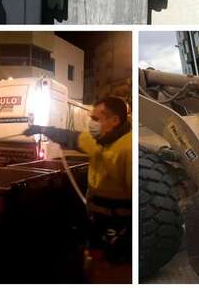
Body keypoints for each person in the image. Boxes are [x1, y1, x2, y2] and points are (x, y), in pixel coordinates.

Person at [24, 97, 132, 282]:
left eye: (96, 119)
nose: (91, 123)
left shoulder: (128, 149)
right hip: (97, 219)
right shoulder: (99, 140)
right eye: (91, 118)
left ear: (115, 120)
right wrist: (42, 129)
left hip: (118, 224)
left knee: (115, 269)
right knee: (95, 259)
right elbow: (71, 137)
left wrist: (129, 236)